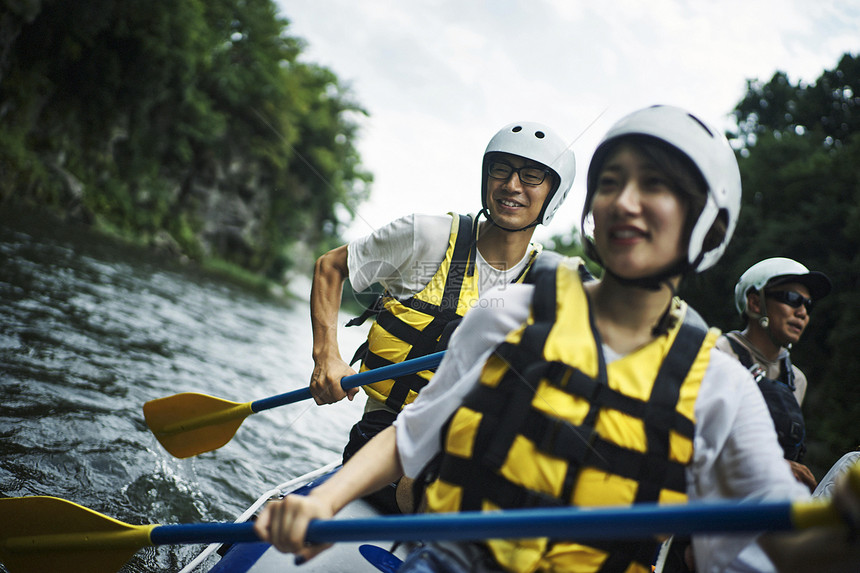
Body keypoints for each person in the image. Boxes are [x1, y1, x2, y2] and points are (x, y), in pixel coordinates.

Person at [255, 106, 860, 572]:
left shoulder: (722, 388)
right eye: (612, 181)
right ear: (592, 209)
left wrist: (841, 530)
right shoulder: (505, 310)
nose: (626, 201)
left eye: (658, 188)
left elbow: (778, 548)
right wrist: (323, 502)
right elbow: (411, 435)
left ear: (710, 228)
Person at [309, 121, 576, 511]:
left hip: (472, 456)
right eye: (501, 170)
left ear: (553, 195)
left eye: (532, 176)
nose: (512, 185)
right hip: (386, 441)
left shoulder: (550, 288)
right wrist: (327, 356)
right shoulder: (427, 236)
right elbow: (331, 267)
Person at [716, 257, 832, 491]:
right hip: (716, 507)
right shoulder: (718, 355)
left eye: (808, 305)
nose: (802, 313)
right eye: (792, 299)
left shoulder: (796, 380)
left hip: (768, 505)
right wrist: (776, 466)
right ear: (755, 303)